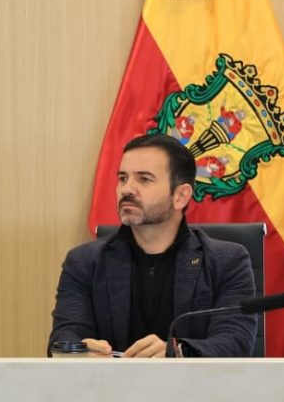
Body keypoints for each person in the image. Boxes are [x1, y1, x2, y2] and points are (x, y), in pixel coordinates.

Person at [49, 134, 256, 357]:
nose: (127, 189)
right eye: (123, 178)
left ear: (181, 196)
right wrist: (79, 351)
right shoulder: (84, 262)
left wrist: (176, 352)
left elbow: (236, 342)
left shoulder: (227, 261)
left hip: (192, 381)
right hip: (107, 380)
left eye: (144, 179)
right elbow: (63, 338)